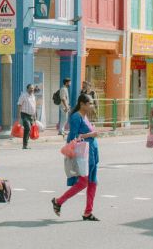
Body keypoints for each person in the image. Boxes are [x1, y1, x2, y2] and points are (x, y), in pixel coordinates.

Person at [51, 93, 100, 221]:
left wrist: (91, 134)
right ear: (82, 104)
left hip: (93, 153)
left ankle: (88, 212)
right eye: (89, 103)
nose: (92, 105)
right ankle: (58, 201)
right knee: (83, 182)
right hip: (84, 155)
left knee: (93, 182)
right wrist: (90, 134)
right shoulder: (76, 117)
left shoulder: (85, 116)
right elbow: (73, 137)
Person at [16, 84, 36, 149]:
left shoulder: (33, 96)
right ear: (27, 89)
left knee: (28, 130)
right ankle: (25, 145)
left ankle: (25, 144)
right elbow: (19, 105)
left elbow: (34, 106)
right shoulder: (23, 96)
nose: (32, 90)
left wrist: (34, 115)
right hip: (24, 115)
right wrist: (18, 115)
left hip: (31, 116)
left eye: (32, 88)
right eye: (30, 88)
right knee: (27, 128)